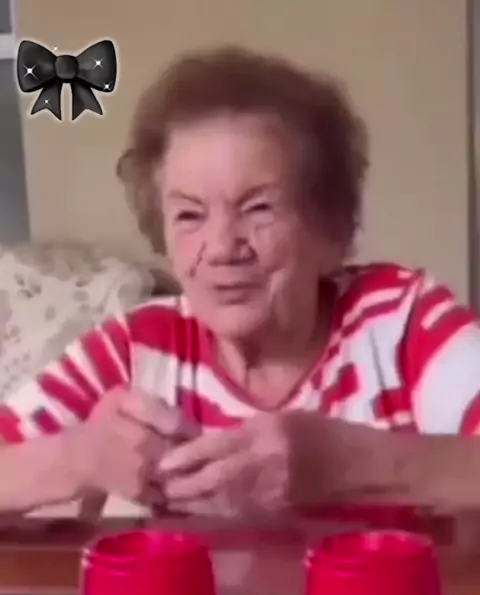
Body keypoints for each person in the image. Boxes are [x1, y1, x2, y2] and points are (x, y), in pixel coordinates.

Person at [1, 45, 480, 520]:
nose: (222, 248)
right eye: (189, 215)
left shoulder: (401, 322)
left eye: (258, 208)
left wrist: (349, 467)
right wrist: (79, 458)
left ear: (330, 229)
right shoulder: (137, 346)